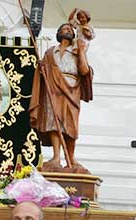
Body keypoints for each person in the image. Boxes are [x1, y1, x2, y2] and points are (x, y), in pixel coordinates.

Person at [29, 9, 94, 172]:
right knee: (54, 122)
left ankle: (71, 158)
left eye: (69, 29)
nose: (67, 29)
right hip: (54, 90)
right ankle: (56, 157)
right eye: (64, 28)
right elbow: (43, 71)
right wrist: (41, 68)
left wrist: (81, 52)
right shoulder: (50, 52)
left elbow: (85, 71)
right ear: (58, 34)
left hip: (72, 89)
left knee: (70, 126)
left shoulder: (77, 50)